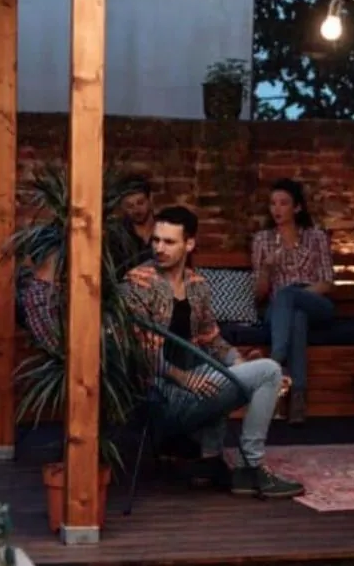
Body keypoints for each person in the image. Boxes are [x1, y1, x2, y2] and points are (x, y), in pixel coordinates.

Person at [123, 205, 305, 498]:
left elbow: (214, 341)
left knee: (252, 371)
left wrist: (240, 362)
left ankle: (207, 464)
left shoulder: (197, 286)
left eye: (169, 242)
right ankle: (252, 468)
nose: (159, 248)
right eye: (156, 240)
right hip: (159, 394)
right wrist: (181, 377)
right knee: (270, 371)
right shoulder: (138, 283)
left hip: (197, 384)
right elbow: (138, 351)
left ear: (189, 244)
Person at [250, 179, 335, 425]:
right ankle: (298, 399)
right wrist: (266, 269)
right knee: (295, 316)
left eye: (284, 203)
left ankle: (275, 363)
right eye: (273, 203)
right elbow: (259, 294)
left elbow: (327, 282)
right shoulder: (262, 240)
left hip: (315, 302)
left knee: (289, 296)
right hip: (278, 312)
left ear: (297, 208)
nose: (277, 209)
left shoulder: (316, 237)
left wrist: (297, 294)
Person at [109, 174, 156, 274]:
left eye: (140, 202)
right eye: (129, 206)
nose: (136, 210)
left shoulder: (167, 229)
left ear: (150, 199)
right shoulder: (116, 237)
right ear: (122, 207)